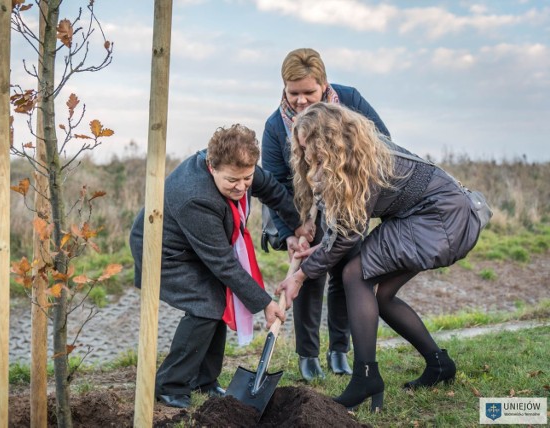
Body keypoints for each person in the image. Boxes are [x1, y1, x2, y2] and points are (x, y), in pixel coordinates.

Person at [277, 102, 484, 412]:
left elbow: (348, 234)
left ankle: (365, 377)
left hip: (439, 216)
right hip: (432, 214)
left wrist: (301, 275)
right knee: (382, 295)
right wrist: (316, 249)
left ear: (328, 139)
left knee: (356, 274)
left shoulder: (363, 163)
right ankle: (440, 364)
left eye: (309, 144)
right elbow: (344, 226)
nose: (304, 151)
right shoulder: (345, 158)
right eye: (301, 143)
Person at [129, 124, 313, 408]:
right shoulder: (196, 198)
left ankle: (204, 380)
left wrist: (298, 227)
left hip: (193, 247)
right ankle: (170, 385)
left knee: (215, 301)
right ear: (211, 167)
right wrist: (265, 302)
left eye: (247, 178)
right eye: (232, 181)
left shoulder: (240, 165)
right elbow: (224, 264)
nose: (241, 187)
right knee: (206, 304)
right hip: (163, 251)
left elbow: (273, 191)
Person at [261, 47, 391, 381]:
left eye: (309, 92)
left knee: (346, 272)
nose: (301, 101)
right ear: (284, 88)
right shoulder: (275, 126)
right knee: (308, 276)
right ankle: (308, 355)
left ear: (324, 84)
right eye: (294, 93)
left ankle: (339, 351)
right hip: (303, 210)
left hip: (347, 202)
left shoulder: (350, 100)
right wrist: (292, 230)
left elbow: (382, 142)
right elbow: (275, 185)